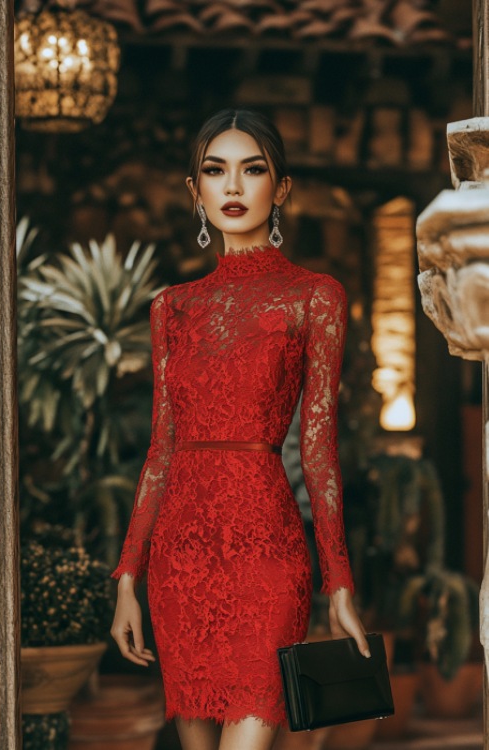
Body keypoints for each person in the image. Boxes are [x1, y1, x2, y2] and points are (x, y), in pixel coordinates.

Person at [110, 108, 369, 750]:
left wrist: (338, 584)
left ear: (280, 188)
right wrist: (126, 580)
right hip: (181, 559)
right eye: (214, 171)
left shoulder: (315, 296)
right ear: (194, 189)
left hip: (266, 555)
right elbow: (160, 452)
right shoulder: (171, 307)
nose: (232, 187)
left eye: (252, 170)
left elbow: (318, 452)